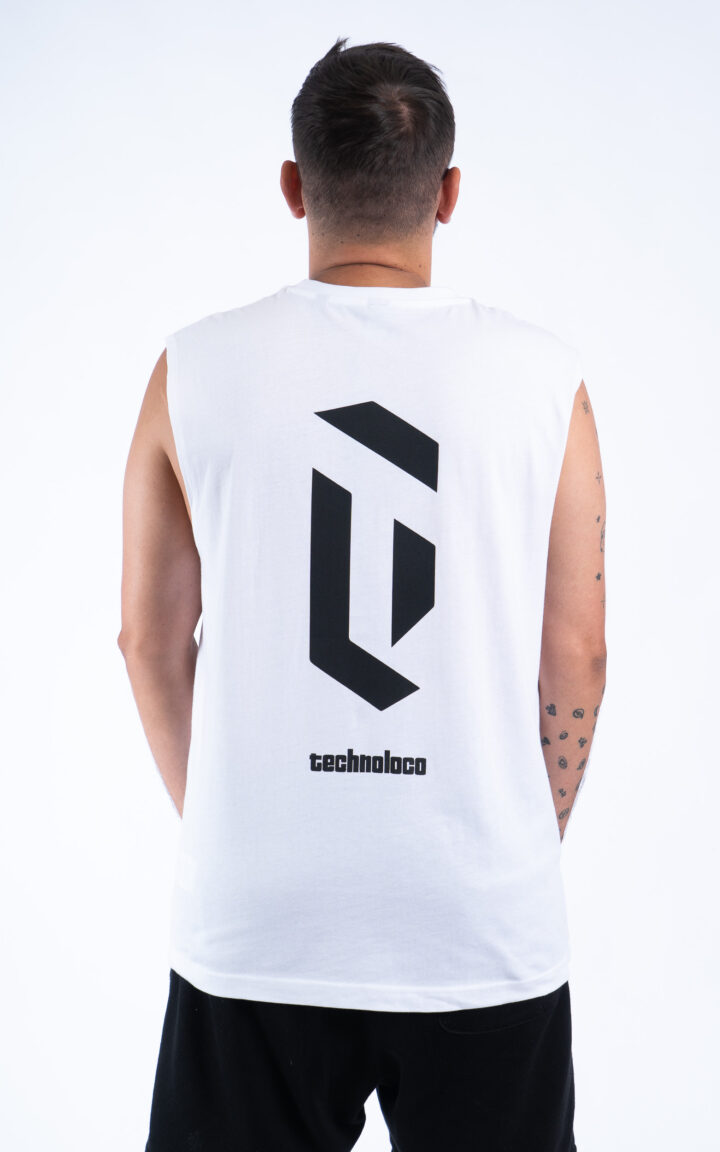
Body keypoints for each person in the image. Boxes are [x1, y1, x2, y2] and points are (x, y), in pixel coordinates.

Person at [118, 35, 606, 1152]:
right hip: (479, 923)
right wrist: (517, 835)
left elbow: (148, 639)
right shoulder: (548, 381)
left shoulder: (192, 368)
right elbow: (577, 655)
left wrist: (233, 818)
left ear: (295, 186)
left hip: (258, 922)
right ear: (448, 194)